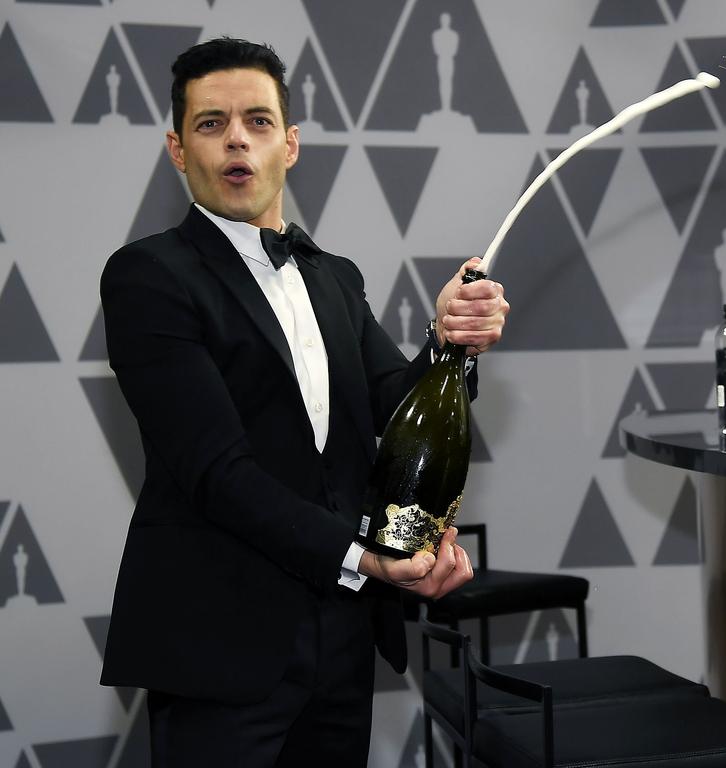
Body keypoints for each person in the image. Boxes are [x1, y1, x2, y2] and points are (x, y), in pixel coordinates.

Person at [98, 37, 509, 767]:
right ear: (176, 148)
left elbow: (396, 409)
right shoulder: (147, 277)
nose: (236, 140)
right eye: (209, 123)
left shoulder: (334, 279)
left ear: (289, 145)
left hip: (345, 637)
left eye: (257, 121)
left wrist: (450, 341)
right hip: (220, 646)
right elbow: (219, 474)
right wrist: (368, 558)